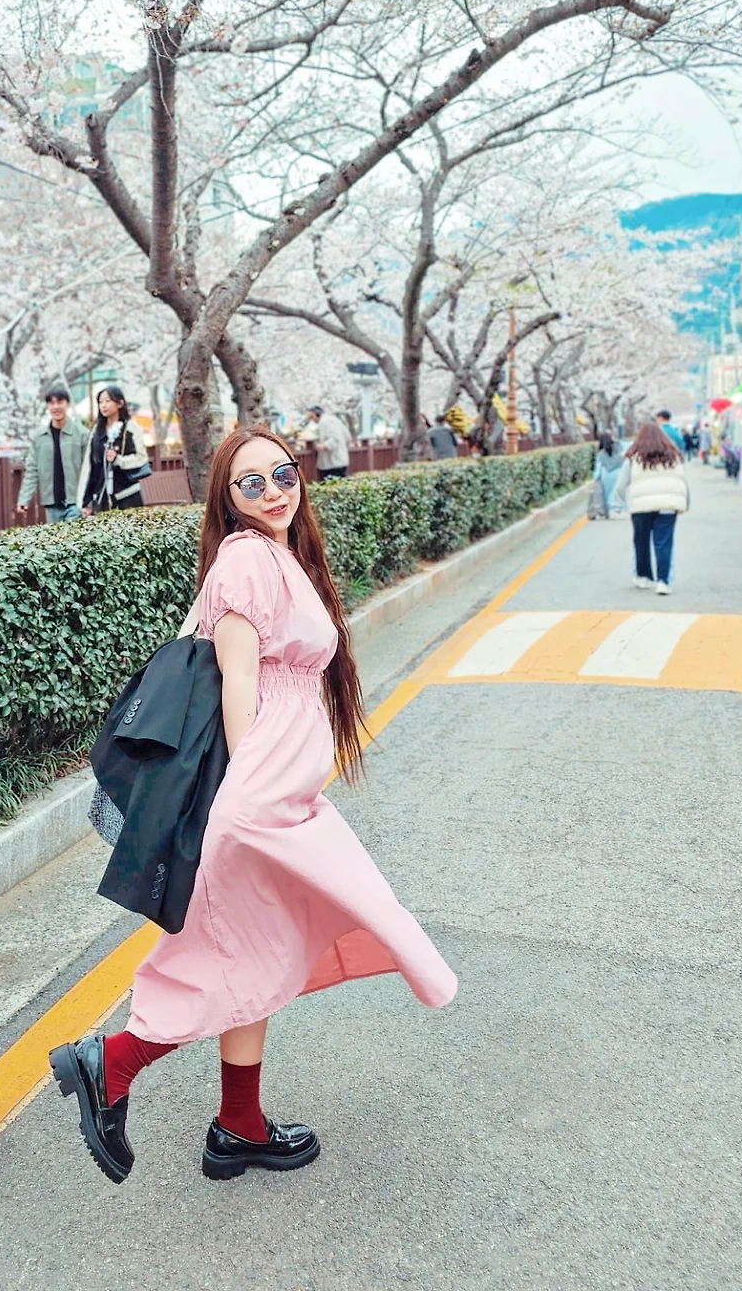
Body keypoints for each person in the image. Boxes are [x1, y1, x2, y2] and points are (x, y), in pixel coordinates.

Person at [49, 425, 457, 1185]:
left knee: (255, 950)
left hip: (276, 794)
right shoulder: (244, 559)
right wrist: (248, 802)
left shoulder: (282, 556)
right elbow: (239, 684)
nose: (273, 491)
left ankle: (237, 1126)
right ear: (229, 499)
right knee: (247, 945)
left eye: (283, 474)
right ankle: (114, 1062)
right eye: (252, 483)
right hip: (257, 800)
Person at [615, 421, 688, 595]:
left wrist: (617, 504)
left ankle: (644, 577)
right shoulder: (674, 457)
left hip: (641, 507)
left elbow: (621, 484)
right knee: (664, 543)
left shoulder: (633, 458)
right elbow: (682, 482)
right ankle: (663, 581)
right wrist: (685, 503)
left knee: (641, 541)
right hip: (667, 506)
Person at [18, 386, 88, 523]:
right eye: (51, 403)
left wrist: (89, 500)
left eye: (60, 402)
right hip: (51, 503)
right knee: (55, 536)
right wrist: (24, 499)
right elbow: (32, 469)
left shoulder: (81, 434)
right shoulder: (39, 437)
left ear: (68, 404)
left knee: (73, 536)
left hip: (76, 502)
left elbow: (89, 469)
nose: (56, 407)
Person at [81, 385, 148, 512]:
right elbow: (91, 466)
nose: (103, 405)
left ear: (120, 403)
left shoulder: (131, 427)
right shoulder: (97, 430)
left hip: (128, 496)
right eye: (100, 402)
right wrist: (86, 500)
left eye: (108, 401)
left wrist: (118, 459)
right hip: (102, 498)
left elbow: (141, 458)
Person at [307, 404, 350, 479]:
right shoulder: (335, 420)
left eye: (312, 416)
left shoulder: (325, 422)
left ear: (317, 413)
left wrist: (324, 446)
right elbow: (348, 437)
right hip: (341, 461)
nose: (312, 419)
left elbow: (335, 438)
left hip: (331, 463)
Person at [593, 431, 624, 516]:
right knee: (616, 491)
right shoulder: (618, 448)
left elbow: (598, 468)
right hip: (618, 472)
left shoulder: (601, 453)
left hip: (606, 473)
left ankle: (607, 509)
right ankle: (617, 507)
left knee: (606, 493)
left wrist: (596, 478)